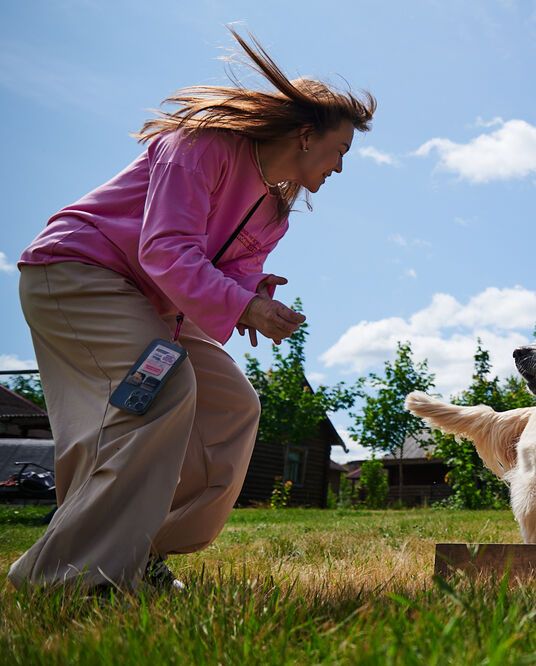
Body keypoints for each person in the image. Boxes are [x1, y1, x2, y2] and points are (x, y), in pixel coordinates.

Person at [7, 29, 375, 592]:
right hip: (79, 273)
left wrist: (255, 299)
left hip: (160, 304)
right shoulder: (202, 144)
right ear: (306, 136)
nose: (342, 168)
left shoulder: (275, 211)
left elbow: (227, 276)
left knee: (233, 407)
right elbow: (164, 248)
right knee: (161, 389)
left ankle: (136, 549)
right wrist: (242, 304)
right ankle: (68, 576)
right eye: (341, 151)